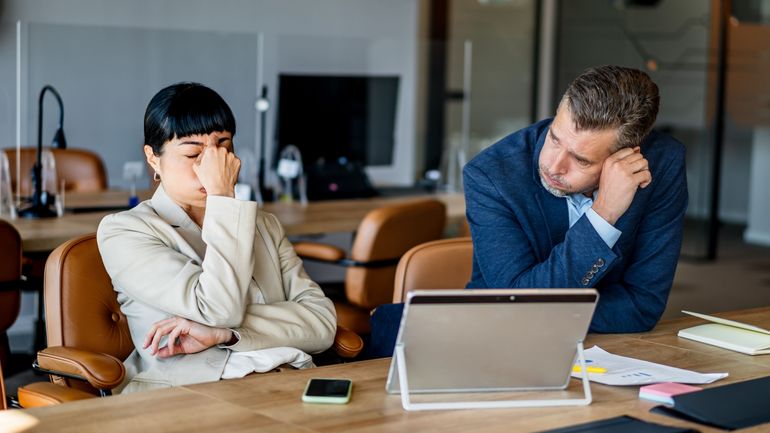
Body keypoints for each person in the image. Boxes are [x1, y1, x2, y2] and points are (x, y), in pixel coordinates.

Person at [97, 83, 336, 393]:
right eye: (193, 153)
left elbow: (322, 322)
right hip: (189, 393)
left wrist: (226, 335)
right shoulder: (125, 231)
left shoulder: (265, 225)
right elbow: (220, 309)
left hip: (286, 381)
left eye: (223, 147)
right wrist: (222, 197)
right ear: (153, 158)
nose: (212, 167)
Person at [464, 65, 687, 333]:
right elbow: (517, 304)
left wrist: (544, 307)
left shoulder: (661, 165)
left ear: (626, 157)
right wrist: (603, 215)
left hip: (611, 352)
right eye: (554, 139)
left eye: (580, 159)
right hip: (498, 337)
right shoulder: (492, 176)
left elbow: (643, 306)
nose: (554, 166)